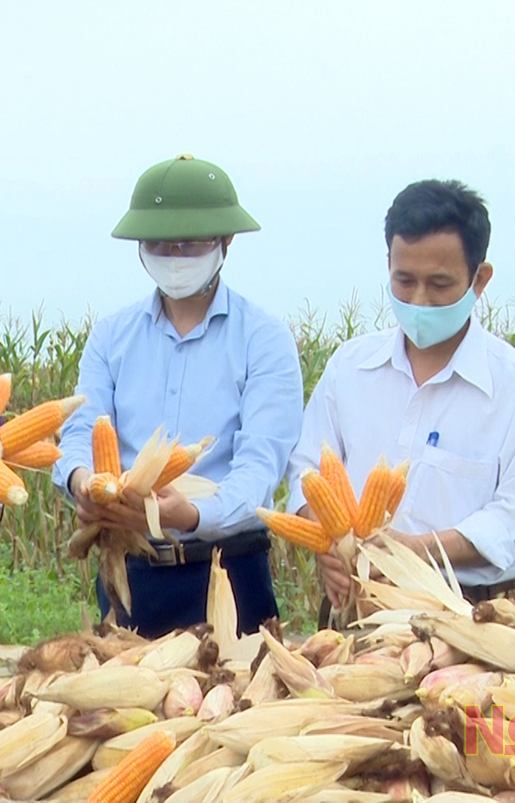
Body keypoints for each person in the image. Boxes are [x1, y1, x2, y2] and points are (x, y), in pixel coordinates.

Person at [53, 154, 304, 639]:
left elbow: (259, 467)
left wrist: (189, 515)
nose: (175, 257)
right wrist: (84, 482)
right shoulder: (111, 337)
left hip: (227, 573)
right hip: (129, 571)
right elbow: (81, 429)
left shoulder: (264, 339)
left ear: (226, 243)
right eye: (161, 244)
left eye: (191, 244)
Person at [284, 179, 515, 625]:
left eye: (440, 284)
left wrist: (413, 554)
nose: (419, 301)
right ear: (388, 265)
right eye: (404, 281)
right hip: (351, 611)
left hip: (468, 617)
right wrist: (331, 542)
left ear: (479, 279)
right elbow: (306, 471)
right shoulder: (349, 369)